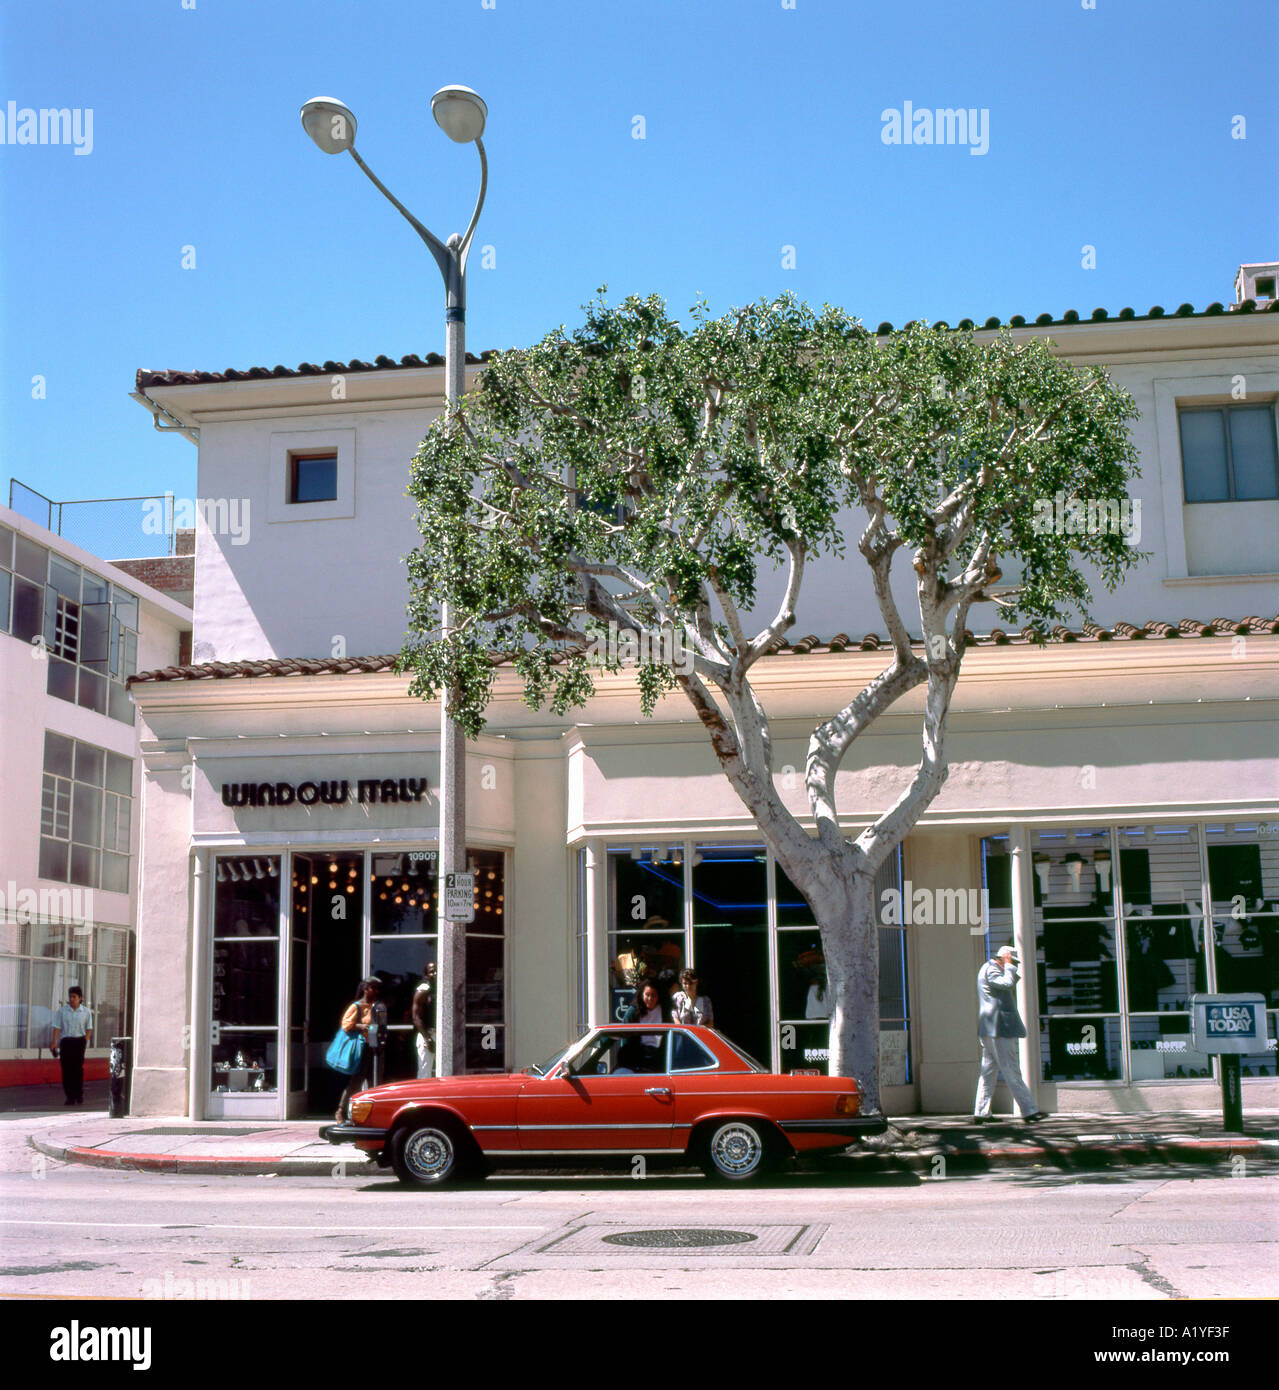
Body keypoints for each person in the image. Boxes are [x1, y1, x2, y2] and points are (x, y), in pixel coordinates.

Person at [973, 946, 1047, 1123]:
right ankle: (1029, 1111)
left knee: (988, 1072)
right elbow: (1007, 984)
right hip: (998, 1028)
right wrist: (1009, 966)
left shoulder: (992, 969)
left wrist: (1007, 967)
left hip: (993, 1029)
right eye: (1013, 961)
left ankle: (981, 1112)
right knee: (1011, 1069)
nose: (1014, 965)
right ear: (1004, 958)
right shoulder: (991, 969)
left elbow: (1008, 983)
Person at [334, 978, 380, 1120]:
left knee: (375, 1083)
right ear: (366, 989)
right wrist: (361, 1026)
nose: (376, 991)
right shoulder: (357, 1006)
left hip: (374, 1047)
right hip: (361, 1049)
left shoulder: (376, 1006)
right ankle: (341, 1111)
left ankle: (372, 1114)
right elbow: (346, 1024)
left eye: (378, 988)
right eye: (374, 988)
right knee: (356, 1082)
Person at [50, 986, 93, 1106]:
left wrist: (85, 1040)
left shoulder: (86, 1012)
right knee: (66, 1070)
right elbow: (57, 1027)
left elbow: (89, 1028)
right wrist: (54, 1042)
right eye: (70, 996)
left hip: (79, 1042)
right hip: (66, 1042)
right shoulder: (62, 1011)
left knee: (77, 1070)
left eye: (74, 997)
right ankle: (69, 1096)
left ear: (80, 998)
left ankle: (79, 1094)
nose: (72, 999)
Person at [622, 981, 667, 1071]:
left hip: (660, 1057)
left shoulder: (664, 1011)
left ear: (658, 997)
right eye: (647, 995)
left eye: (653, 995)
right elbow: (625, 1037)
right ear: (642, 995)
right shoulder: (633, 1012)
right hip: (638, 1057)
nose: (650, 998)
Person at [411, 962, 437, 1079]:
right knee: (425, 1072)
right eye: (431, 971)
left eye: (437, 970)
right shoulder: (422, 991)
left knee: (445, 1072)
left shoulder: (443, 990)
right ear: (426, 975)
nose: (435, 973)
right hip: (427, 1034)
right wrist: (427, 1038)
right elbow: (416, 1018)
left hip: (441, 1034)